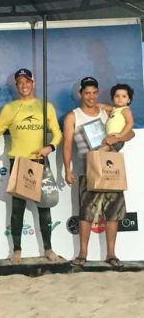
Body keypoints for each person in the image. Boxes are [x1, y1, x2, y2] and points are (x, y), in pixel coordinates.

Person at [0, 68, 62, 264]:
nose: (24, 85)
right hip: (19, 163)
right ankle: (17, 251)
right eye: (20, 82)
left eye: (27, 81)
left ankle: (48, 249)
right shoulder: (10, 109)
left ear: (33, 83)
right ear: (16, 85)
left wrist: (50, 146)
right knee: (17, 209)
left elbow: (57, 133)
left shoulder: (45, 107)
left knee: (45, 208)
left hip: (40, 160)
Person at [63, 77, 133, 268]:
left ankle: (111, 254)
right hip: (87, 169)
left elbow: (131, 132)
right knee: (86, 214)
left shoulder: (107, 111)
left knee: (113, 212)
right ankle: (82, 254)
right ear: (80, 94)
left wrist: (116, 138)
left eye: (94, 92)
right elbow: (67, 144)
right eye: (87, 93)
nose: (91, 96)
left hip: (110, 166)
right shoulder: (73, 116)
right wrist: (67, 169)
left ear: (98, 92)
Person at [98, 83, 134, 152]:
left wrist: (120, 135)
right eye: (117, 96)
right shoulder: (114, 109)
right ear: (113, 99)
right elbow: (103, 106)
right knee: (109, 154)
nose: (120, 98)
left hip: (116, 139)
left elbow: (130, 123)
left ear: (129, 100)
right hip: (109, 138)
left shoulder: (125, 110)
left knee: (102, 151)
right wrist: (94, 105)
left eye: (124, 96)